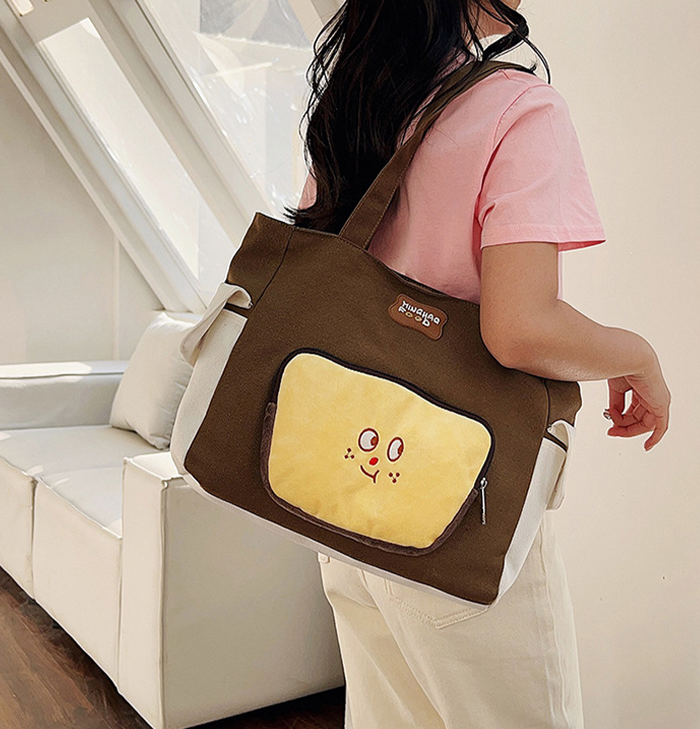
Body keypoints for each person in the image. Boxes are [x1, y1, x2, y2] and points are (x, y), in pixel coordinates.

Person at [286, 1, 672, 727]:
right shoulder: (519, 109)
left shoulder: (359, 96)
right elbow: (520, 330)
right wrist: (637, 354)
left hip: (341, 494)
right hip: (462, 503)